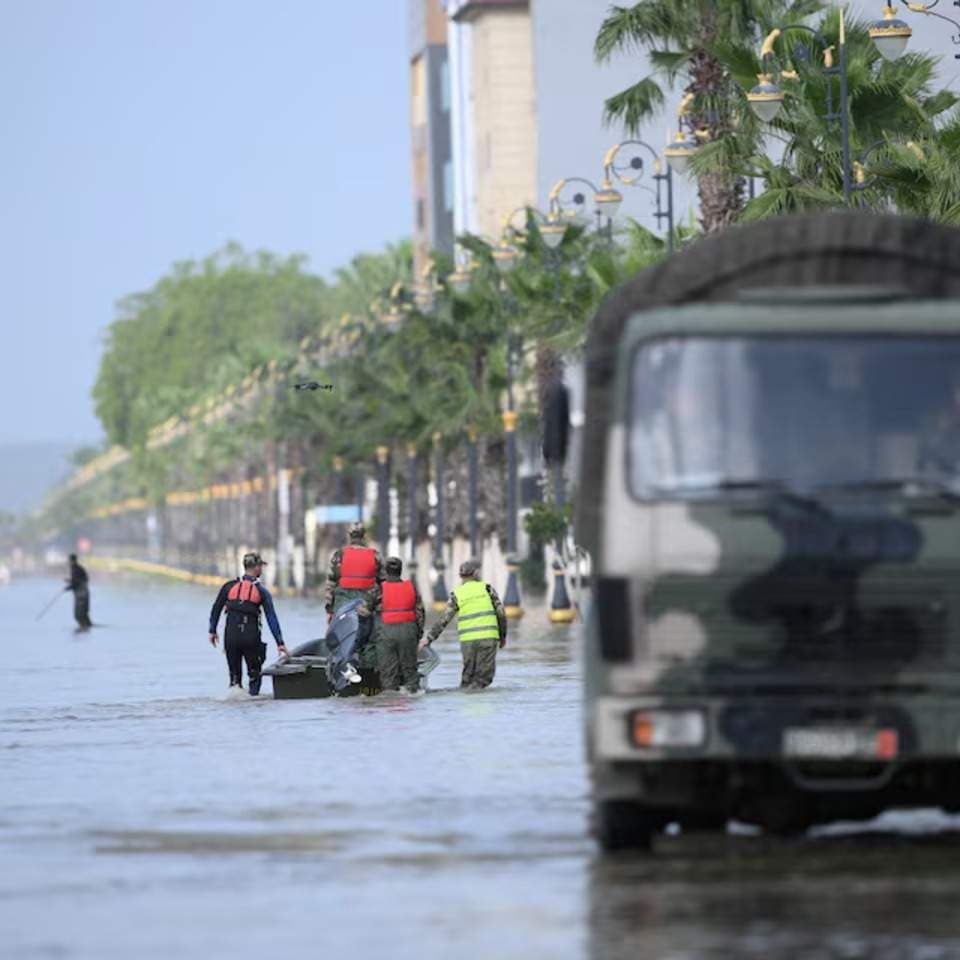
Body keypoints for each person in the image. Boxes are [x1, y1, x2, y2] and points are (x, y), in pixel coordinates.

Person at [208, 552, 288, 696]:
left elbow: (216, 609)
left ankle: (235, 707)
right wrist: (280, 643)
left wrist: (212, 631)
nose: (262, 570)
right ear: (256, 567)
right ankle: (252, 706)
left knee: (234, 680)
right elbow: (272, 619)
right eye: (261, 566)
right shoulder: (262, 592)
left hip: (230, 637)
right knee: (254, 676)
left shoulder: (228, 587)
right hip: (250, 638)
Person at [421, 559, 507, 690]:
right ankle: (480, 706)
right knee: (483, 679)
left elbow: (444, 619)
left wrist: (429, 638)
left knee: (468, 677)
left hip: (467, 641)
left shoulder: (457, 594)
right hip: (488, 638)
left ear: (460, 576)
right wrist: (503, 636)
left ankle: (465, 703)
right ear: (476, 573)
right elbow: (501, 613)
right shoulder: (487, 589)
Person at [324, 522, 383, 677]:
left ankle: (341, 673)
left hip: (342, 606)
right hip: (366, 605)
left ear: (349, 535)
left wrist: (329, 610)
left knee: (342, 641)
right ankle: (369, 674)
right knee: (368, 641)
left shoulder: (339, 555)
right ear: (364, 535)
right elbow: (383, 584)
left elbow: (331, 583)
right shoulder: (375, 555)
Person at [373, 556, 425, 693]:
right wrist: (418, 634)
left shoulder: (379, 589)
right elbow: (420, 613)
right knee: (410, 672)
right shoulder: (411, 587)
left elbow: (366, 611)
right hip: (408, 631)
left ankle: (391, 702)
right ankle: (413, 695)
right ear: (401, 571)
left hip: (387, 633)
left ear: (386, 571)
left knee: (388, 675)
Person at [65, 553, 92, 631]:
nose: (69, 562)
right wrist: (70, 581)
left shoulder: (75, 569)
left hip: (81, 595)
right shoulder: (79, 568)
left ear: (71, 561)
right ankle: (87, 629)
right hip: (85, 594)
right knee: (84, 615)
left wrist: (68, 587)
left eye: (69, 561)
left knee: (79, 616)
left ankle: (84, 630)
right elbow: (83, 579)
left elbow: (76, 582)